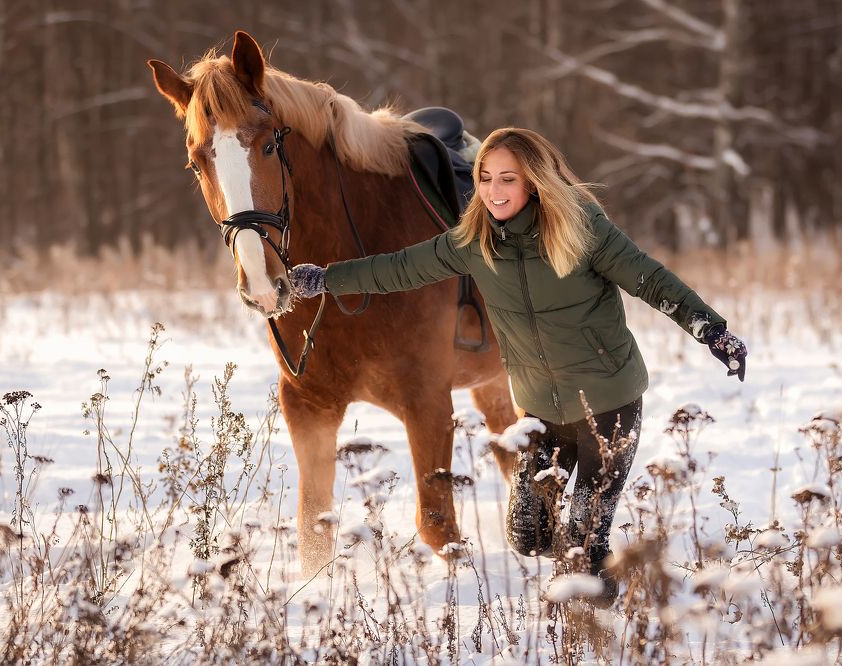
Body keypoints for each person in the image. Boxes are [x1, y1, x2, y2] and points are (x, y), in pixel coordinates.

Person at [289, 128, 747, 607]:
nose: (493, 189)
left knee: (585, 547)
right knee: (527, 535)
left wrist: (711, 329)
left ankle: (600, 617)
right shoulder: (475, 241)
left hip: (608, 408)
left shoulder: (581, 229)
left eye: (507, 178)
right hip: (542, 414)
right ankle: (590, 565)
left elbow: (649, 278)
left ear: (534, 181)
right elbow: (400, 268)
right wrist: (327, 278)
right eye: (485, 177)